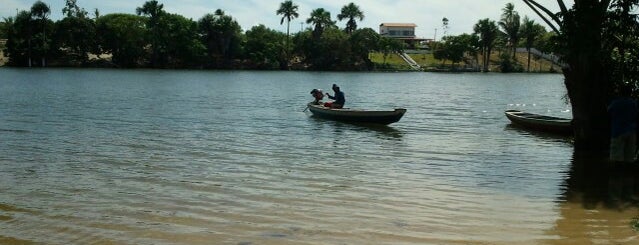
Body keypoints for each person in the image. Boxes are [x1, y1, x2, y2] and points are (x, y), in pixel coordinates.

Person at [608, 85, 638, 163]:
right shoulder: (633, 103)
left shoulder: (615, 103)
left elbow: (608, 112)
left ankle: (617, 174)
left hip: (618, 132)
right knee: (629, 158)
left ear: (620, 93)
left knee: (616, 159)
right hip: (631, 131)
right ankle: (627, 174)